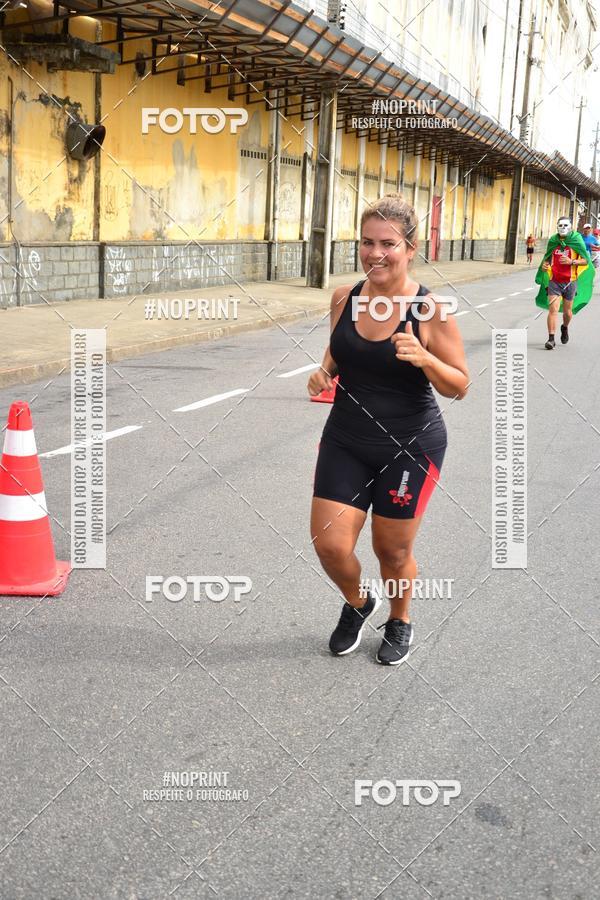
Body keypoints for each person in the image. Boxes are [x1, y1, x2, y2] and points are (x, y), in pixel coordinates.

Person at [307, 194, 469, 666]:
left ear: (410, 248)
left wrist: (425, 358)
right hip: (346, 438)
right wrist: (323, 373)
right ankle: (360, 604)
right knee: (331, 546)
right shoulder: (345, 297)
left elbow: (460, 386)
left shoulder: (429, 310)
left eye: (388, 244)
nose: (375, 253)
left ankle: (399, 619)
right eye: (366, 242)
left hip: (411, 445)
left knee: (391, 550)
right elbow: (337, 354)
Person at [535, 216, 592, 350]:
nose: (563, 228)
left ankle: (565, 327)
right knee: (552, 309)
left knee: (567, 312)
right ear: (557, 227)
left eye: (566, 225)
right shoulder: (553, 241)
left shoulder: (576, 240)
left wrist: (571, 261)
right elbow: (547, 259)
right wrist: (545, 265)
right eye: (560, 225)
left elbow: (585, 261)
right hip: (554, 281)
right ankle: (551, 339)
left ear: (571, 226)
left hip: (570, 282)